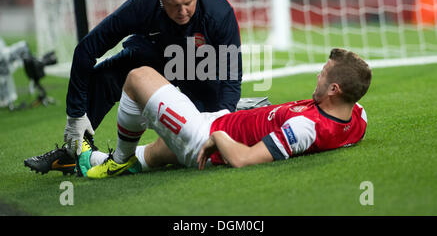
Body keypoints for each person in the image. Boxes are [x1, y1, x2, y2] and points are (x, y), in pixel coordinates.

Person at [24, 0, 242, 175]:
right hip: (151, 58)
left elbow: (231, 76)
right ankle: (76, 151)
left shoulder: (219, 13)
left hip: (198, 71)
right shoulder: (143, 6)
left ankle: (240, 111)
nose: (183, 11)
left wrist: (223, 120)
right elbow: (86, 49)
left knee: (203, 137)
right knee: (106, 76)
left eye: (188, 3)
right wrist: (75, 115)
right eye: (174, 5)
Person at [82, 48, 372, 179]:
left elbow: (244, 160)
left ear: (334, 89)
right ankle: (79, 160)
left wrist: (218, 137)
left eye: (322, 74)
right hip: (217, 121)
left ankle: (118, 160)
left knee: (138, 76)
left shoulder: (306, 128)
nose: (317, 76)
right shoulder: (357, 117)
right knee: (151, 155)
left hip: (205, 136)